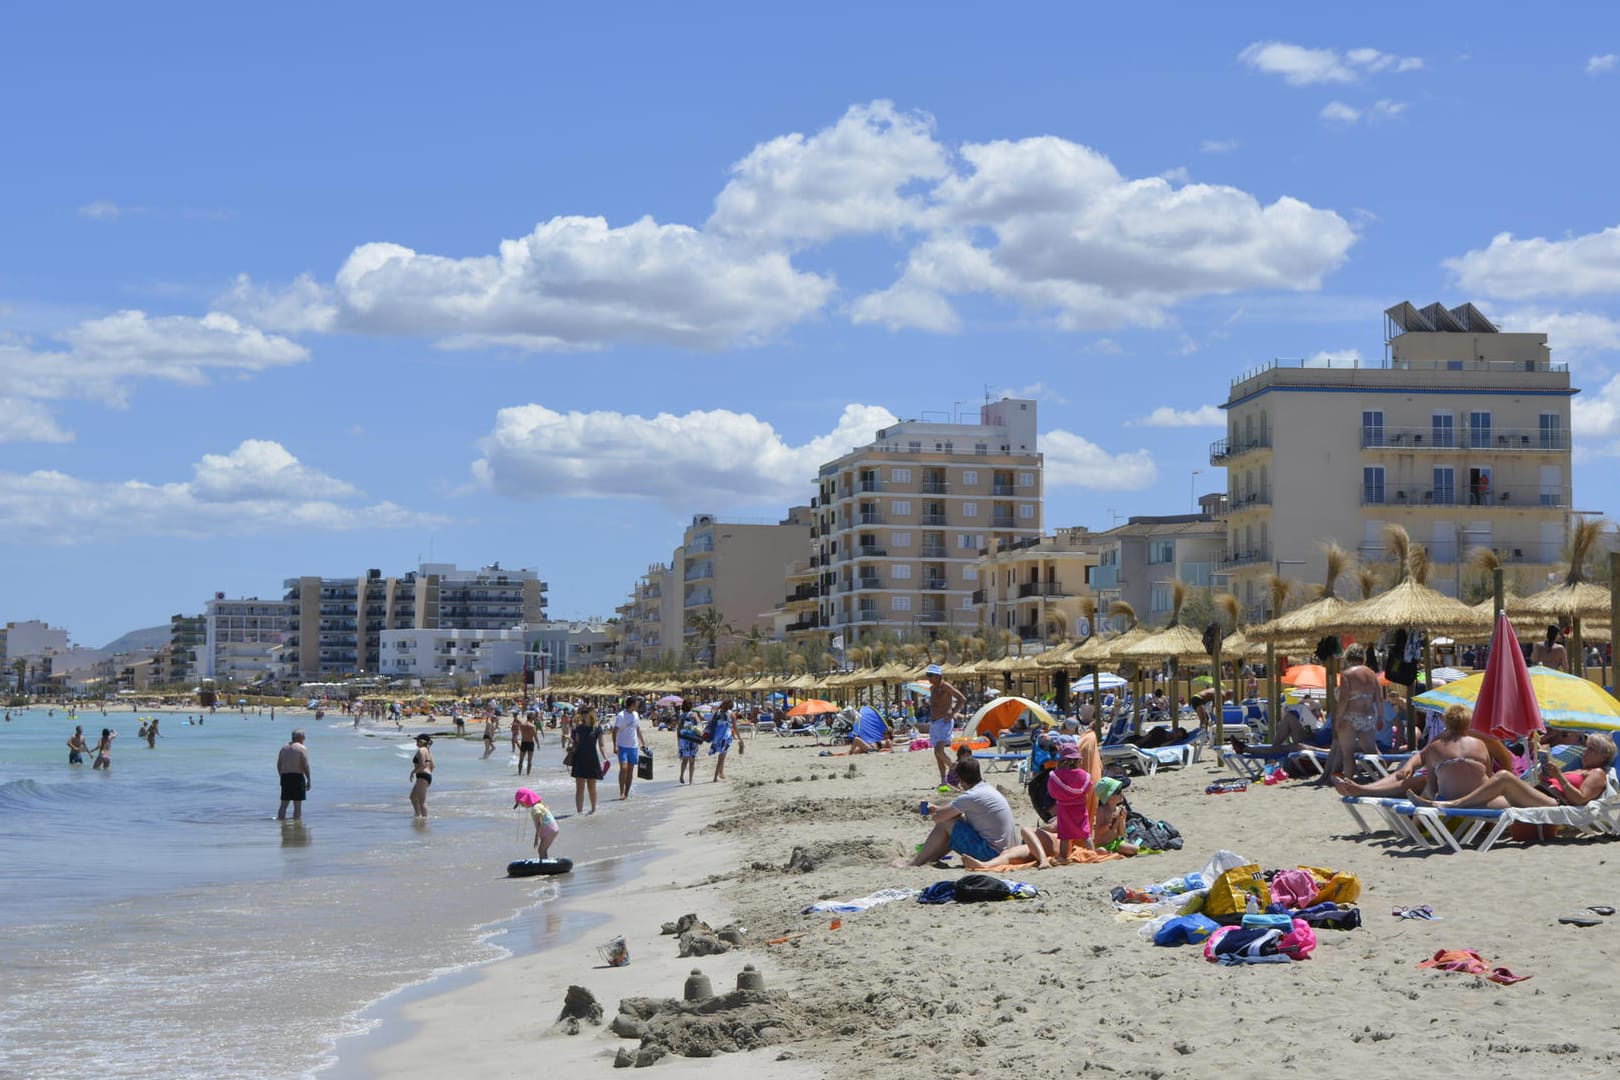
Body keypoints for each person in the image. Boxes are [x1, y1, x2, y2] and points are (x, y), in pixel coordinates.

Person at [1416, 733, 1616, 811]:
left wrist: (1559, 777)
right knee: (1487, 802)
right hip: (1542, 793)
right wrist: (1547, 776)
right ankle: (1439, 804)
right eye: (1587, 747)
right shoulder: (1582, 769)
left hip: (1555, 803)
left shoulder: (1597, 774)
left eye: (1591, 749)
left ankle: (1453, 803)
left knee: (1503, 777)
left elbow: (1580, 799)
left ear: (1603, 756)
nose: (1586, 751)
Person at [894, 757, 1017, 868]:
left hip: (992, 854)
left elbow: (939, 818)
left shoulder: (971, 796)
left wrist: (933, 810)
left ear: (961, 779)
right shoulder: (986, 789)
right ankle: (929, 858)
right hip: (1007, 852)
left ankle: (916, 862)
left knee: (946, 823)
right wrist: (937, 809)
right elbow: (954, 815)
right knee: (956, 826)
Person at [1326, 645, 1383, 782]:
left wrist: (1338, 719)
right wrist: (1380, 717)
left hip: (1350, 716)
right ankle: (1385, 776)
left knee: (1348, 753)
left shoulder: (1347, 674)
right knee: (1372, 751)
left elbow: (1344, 699)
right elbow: (1379, 698)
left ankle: (1349, 782)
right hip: (1368, 716)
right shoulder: (1372, 674)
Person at [1045, 741, 1095, 860]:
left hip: (1064, 808)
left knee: (1065, 835)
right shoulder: (1084, 775)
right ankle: (1092, 854)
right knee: (1085, 834)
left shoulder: (1056, 776)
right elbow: (1088, 788)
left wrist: (1063, 797)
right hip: (1080, 807)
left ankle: (1063, 856)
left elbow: (1052, 791)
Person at [923, 664, 968, 784]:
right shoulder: (932, 688)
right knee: (937, 754)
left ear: (937, 676)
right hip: (934, 723)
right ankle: (943, 780)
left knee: (939, 750)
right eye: (928, 675)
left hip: (944, 722)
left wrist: (953, 713)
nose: (928, 678)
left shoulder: (946, 686)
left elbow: (962, 699)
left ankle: (954, 768)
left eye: (930, 675)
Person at [569, 704, 608, 814]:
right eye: (583, 713)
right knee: (579, 788)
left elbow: (601, 745)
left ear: (591, 714)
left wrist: (605, 758)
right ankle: (579, 813)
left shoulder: (597, 729)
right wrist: (570, 743)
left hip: (592, 759)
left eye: (586, 712)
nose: (584, 715)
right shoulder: (579, 729)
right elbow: (576, 744)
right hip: (579, 758)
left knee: (592, 787)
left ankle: (593, 810)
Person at [613, 696, 647, 799]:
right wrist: (615, 745)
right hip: (622, 746)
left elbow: (638, 729)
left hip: (634, 747)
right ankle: (621, 792)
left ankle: (626, 793)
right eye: (636, 703)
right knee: (623, 769)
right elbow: (615, 731)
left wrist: (643, 743)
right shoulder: (621, 715)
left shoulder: (636, 715)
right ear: (632, 704)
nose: (638, 705)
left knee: (631, 770)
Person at [277, 729, 312, 821]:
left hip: (285, 777)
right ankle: (297, 828)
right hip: (297, 777)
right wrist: (308, 779)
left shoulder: (284, 748)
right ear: (299, 737)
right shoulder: (302, 748)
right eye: (303, 736)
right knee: (297, 804)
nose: (304, 738)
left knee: (284, 804)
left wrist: (281, 776)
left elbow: (279, 764)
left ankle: (281, 825)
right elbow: (305, 765)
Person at [515, 789, 560, 857]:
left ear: (526, 800)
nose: (521, 806)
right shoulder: (539, 805)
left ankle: (543, 866)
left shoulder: (536, 808)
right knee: (543, 850)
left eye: (521, 803)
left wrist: (536, 837)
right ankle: (545, 863)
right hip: (551, 829)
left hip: (549, 830)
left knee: (541, 850)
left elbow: (540, 823)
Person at [708, 698, 741, 782]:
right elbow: (735, 727)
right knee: (721, 756)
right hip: (725, 737)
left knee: (723, 755)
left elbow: (711, 724)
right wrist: (740, 738)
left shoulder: (716, 713)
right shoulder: (731, 714)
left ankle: (721, 772)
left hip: (717, 737)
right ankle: (715, 777)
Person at [676, 703, 703, 784]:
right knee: (692, 761)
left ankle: (681, 775)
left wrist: (678, 741)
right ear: (691, 706)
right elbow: (699, 726)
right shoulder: (693, 715)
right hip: (692, 739)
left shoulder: (681, 716)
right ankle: (690, 781)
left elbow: (678, 729)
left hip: (683, 739)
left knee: (684, 760)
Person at [409, 734, 434, 818]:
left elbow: (423, 764)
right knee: (413, 797)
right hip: (424, 776)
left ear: (423, 742)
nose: (416, 742)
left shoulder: (422, 750)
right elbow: (432, 766)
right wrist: (428, 775)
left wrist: (413, 772)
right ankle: (418, 815)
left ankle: (424, 820)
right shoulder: (428, 750)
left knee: (422, 801)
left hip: (423, 776)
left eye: (418, 740)